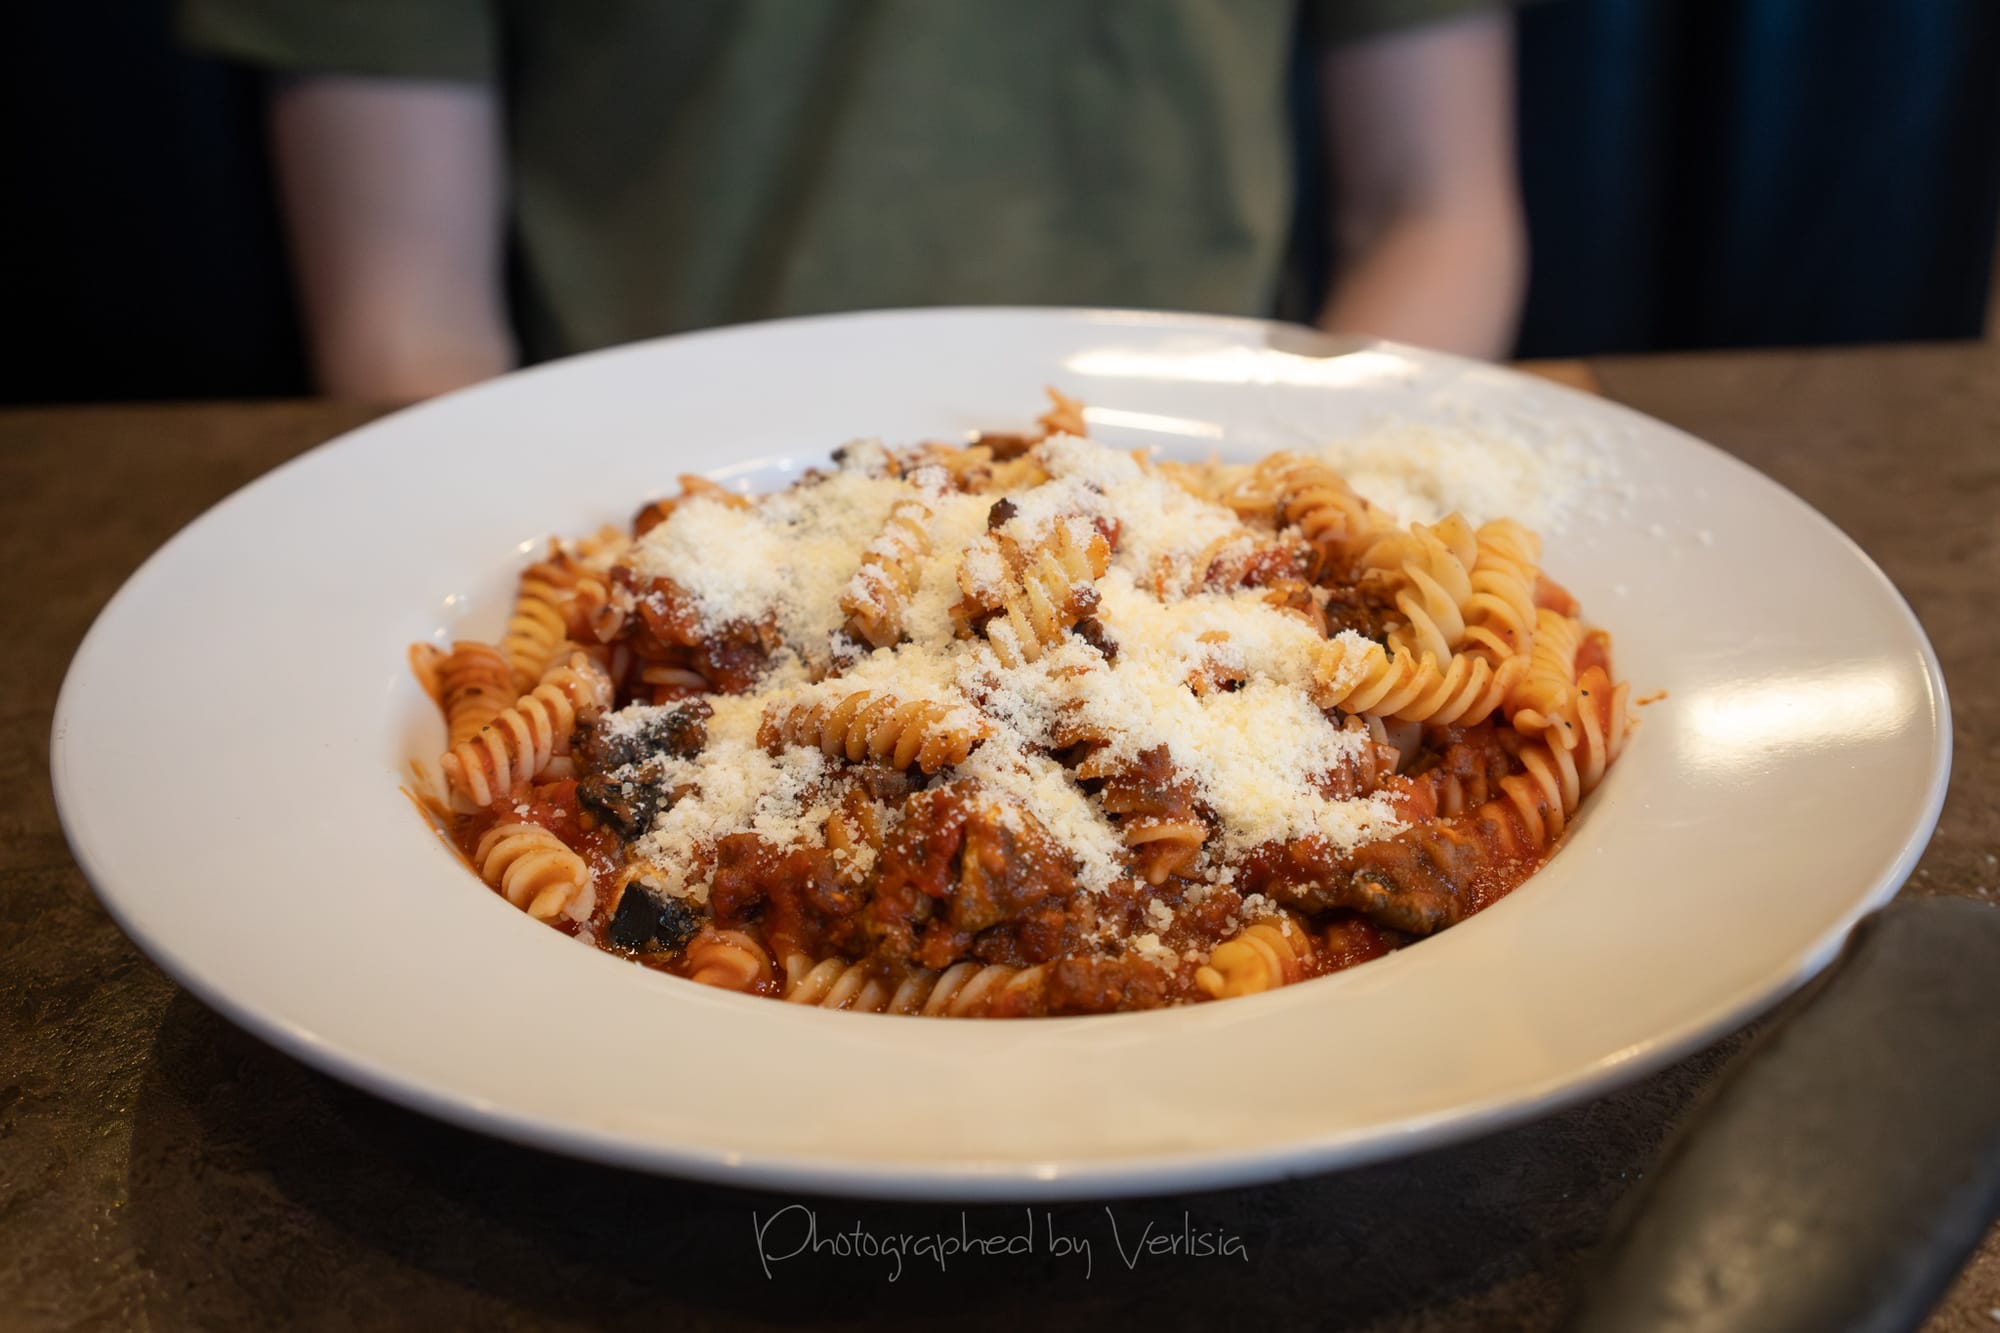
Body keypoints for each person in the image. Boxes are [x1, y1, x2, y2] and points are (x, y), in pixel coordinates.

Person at [183, 1, 1525, 401]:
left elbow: (1436, 208)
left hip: (1217, 488)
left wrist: (1294, 493)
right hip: (667, 515)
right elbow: (408, 317)